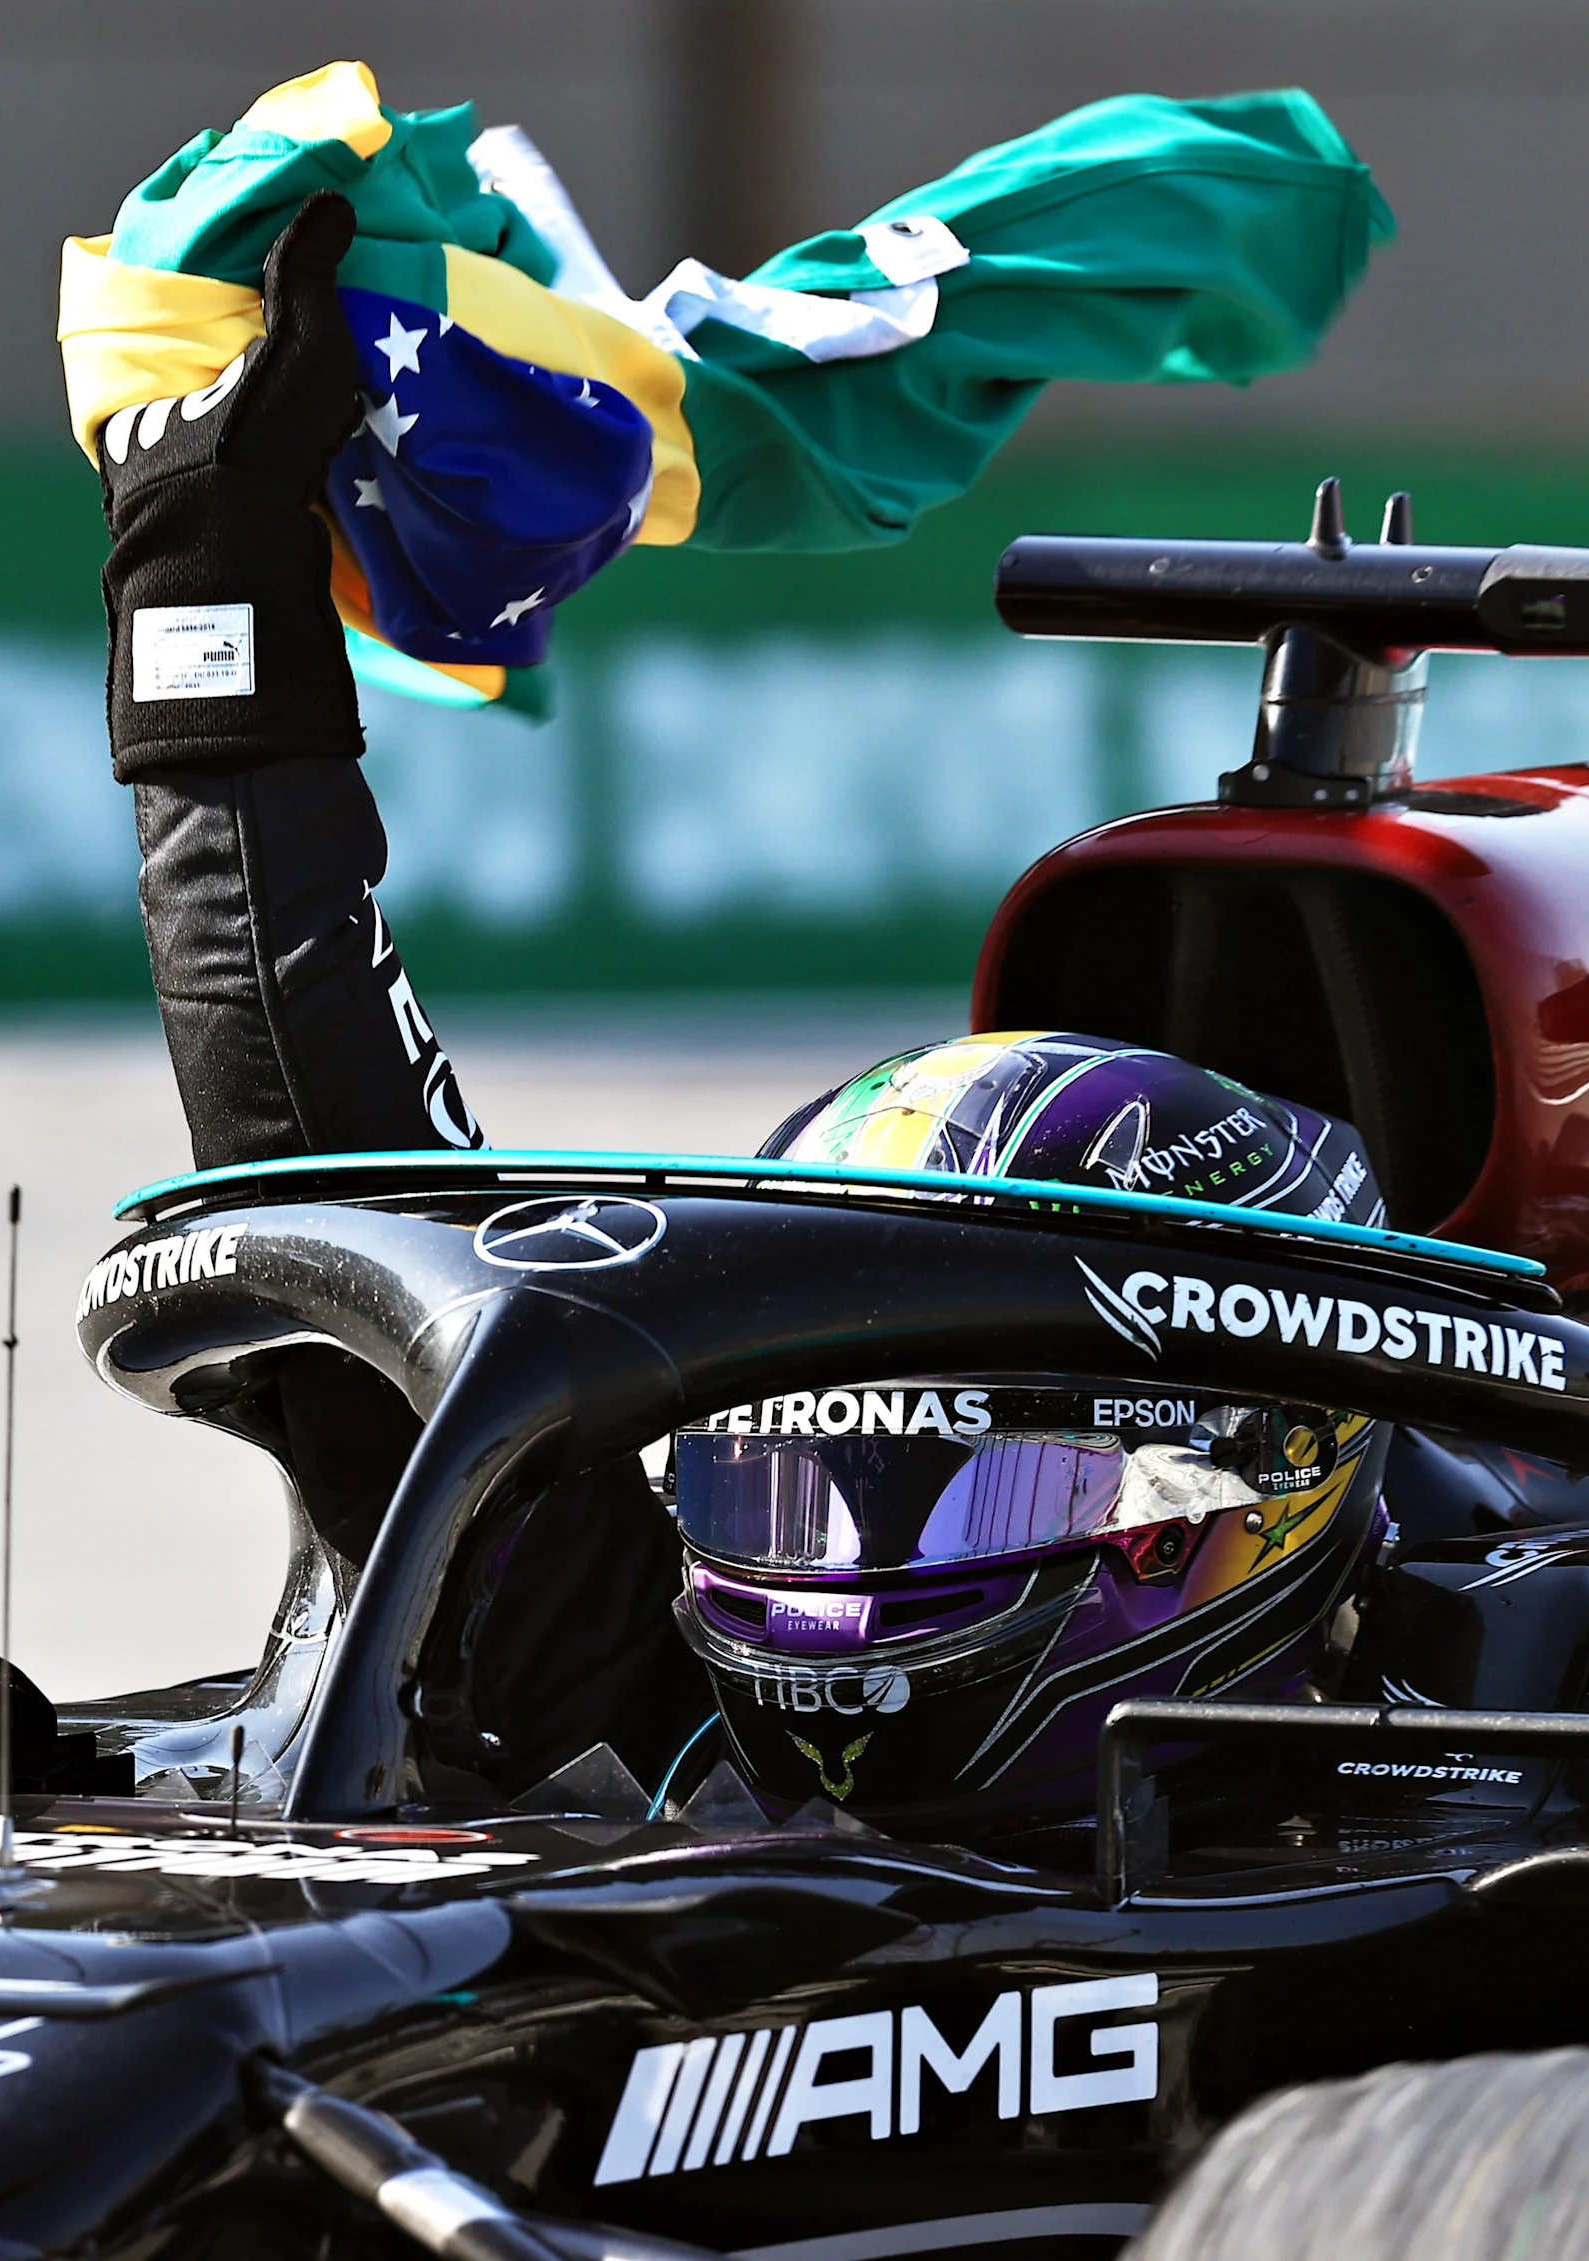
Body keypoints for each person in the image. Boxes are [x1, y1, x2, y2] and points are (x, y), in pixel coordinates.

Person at [95, 193, 1393, 1831]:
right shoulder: (649, 1713)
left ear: (1229, 1500)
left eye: (989, 1485)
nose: (841, 1579)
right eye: (783, 1483)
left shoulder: (1539, 1785)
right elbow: (310, 1122)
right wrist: (208, 576)